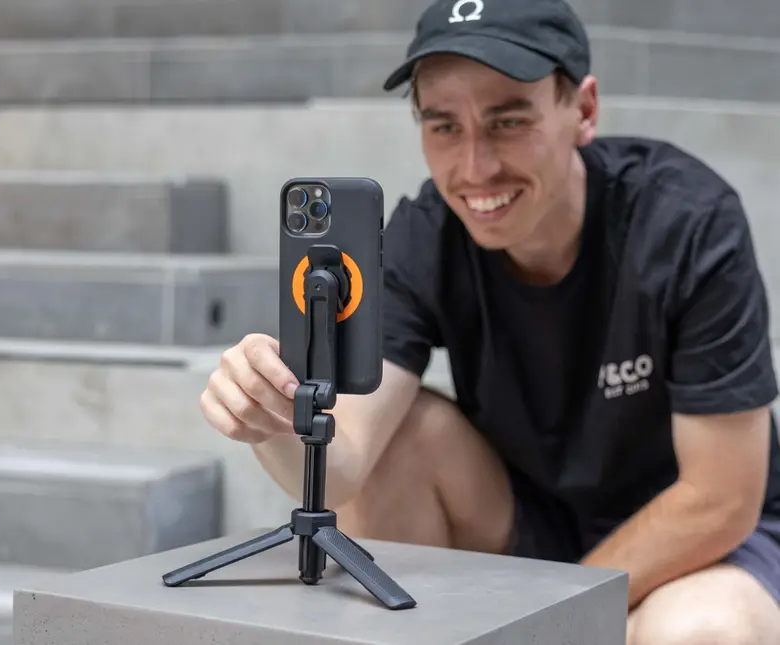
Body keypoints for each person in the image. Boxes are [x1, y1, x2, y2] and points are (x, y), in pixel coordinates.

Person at [200, 0, 780, 641]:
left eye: (508, 121)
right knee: (403, 434)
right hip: (524, 518)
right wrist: (270, 418)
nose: (475, 168)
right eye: (444, 126)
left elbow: (721, 499)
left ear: (584, 111)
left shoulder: (685, 223)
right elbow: (344, 465)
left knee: (706, 629)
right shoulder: (428, 236)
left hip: (692, 546)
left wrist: (552, 614)